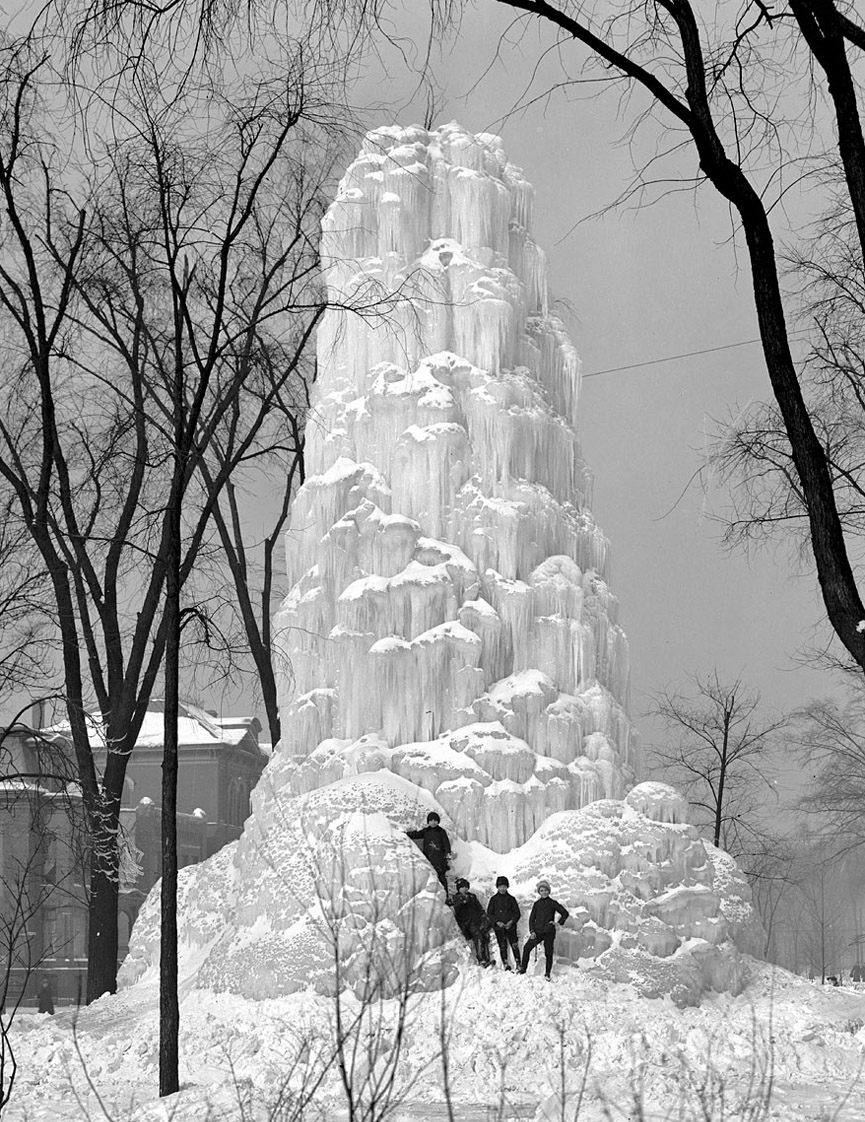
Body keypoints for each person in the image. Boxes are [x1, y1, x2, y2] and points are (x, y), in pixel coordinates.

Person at [519, 879, 569, 980]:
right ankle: (523, 969)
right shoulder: (537, 904)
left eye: (545, 890)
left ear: (549, 891)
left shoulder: (553, 903)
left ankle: (547, 973)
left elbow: (565, 913)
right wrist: (532, 931)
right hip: (537, 932)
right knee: (527, 948)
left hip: (549, 932)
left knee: (548, 952)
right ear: (539, 892)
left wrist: (558, 923)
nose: (544, 892)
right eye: (541, 890)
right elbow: (531, 919)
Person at [407, 811, 452, 895]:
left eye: (435, 820)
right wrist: (406, 834)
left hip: (440, 859)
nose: (433, 822)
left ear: (438, 821)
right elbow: (416, 834)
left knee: (441, 877)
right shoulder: (426, 831)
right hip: (429, 858)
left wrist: (447, 857)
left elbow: (446, 845)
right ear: (428, 822)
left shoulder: (441, 832)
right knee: (431, 877)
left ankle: (445, 896)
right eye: (431, 820)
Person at [451, 877, 492, 966]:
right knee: (479, 936)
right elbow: (457, 911)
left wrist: (484, 917)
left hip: (477, 922)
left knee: (485, 936)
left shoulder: (472, 897)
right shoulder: (456, 898)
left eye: (466, 887)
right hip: (467, 924)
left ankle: (487, 958)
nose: (465, 889)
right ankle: (481, 959)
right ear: (458, 888)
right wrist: (462, 900)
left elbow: (480, 909)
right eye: (462, 887)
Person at [487, 875, 521, 970]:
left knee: (514, 944)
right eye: (500, 886)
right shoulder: (493, 899)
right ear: (497, 887)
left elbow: (517, 913)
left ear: (507, 887)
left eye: (504, 886)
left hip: (511, 927)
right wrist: (497, 922)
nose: (502, 888)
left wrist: (511, 921)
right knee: (502, 945)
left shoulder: (511, 899)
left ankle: (518, 963)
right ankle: (505, 963)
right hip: (499, 927)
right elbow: (489, 913)